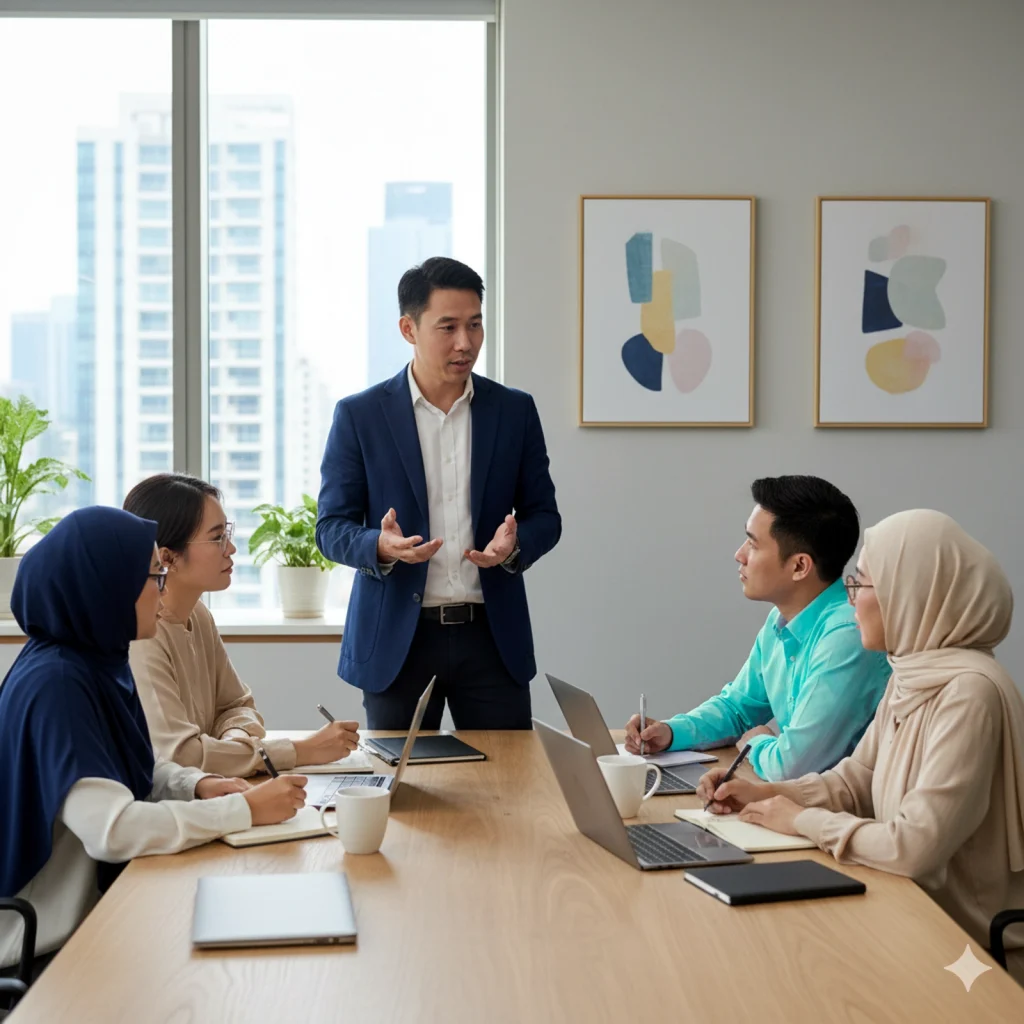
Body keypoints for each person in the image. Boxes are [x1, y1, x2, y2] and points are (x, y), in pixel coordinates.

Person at [698, 510, 1024, 984]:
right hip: (910, 913)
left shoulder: (969, 693)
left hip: (967, 950)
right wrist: (773, 795)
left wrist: (802, 820)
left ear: (910, 595)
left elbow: (914, 847)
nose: (852, 602)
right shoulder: (912, 673)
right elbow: (859, 778)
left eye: (862, 585)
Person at [0, 507, 306, 971]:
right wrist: (242, 810)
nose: (162, 596)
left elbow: (122, 765)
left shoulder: (92, 660)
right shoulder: (56, 683)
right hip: (44, 943)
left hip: (95, 909)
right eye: (154, 578)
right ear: (108, 586)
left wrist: (195, 786)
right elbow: (113, 830)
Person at [317, 257, 561, 730]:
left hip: (492, 638)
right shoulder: (360, 415)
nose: (465, 342)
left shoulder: (514, 411)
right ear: (409, 328)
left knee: (506, 790)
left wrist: (515, 547)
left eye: (474, 325)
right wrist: (379, 547)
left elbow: (544, 516)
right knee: (401, 793)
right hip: (397, 643)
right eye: (447, 327)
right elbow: (330, 528)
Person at [625, 476, 890, 780]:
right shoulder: (782, 618)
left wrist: (755, 742)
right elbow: (738, 708)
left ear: (799, 566)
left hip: (842, 816)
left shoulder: (847, 634)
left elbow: (792, 767)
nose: (740, 555)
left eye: (752, 544)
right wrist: (670, 733)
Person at [124, 473, 359, 776]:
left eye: (228, 534)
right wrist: (301, 751)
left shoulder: (197, 613)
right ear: (168, 557)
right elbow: (181, 757)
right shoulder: (141, 637)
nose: (231, 549)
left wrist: (236, 745)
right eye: (217, 537)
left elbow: (237, 705)